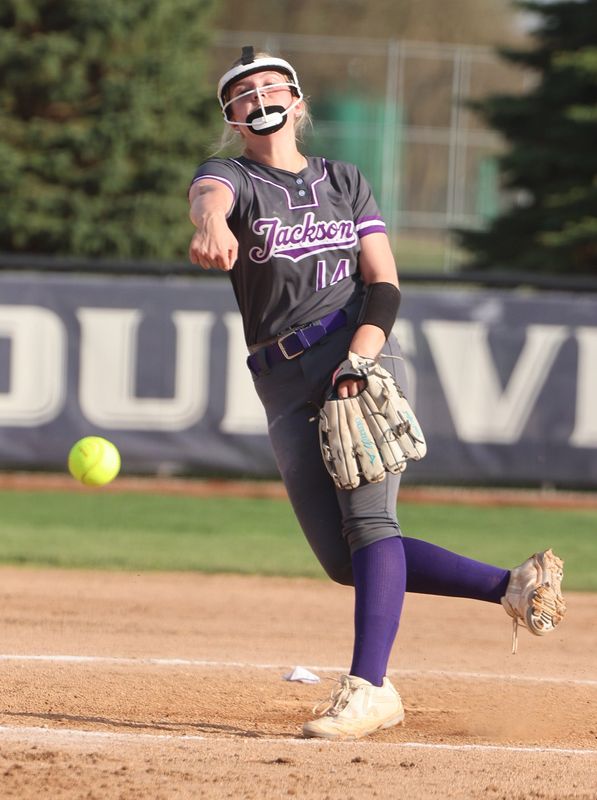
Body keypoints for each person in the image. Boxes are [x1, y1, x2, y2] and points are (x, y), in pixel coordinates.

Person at [187, 47, 566, 741]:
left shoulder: (344, 180)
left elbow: (384, 281)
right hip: (277, 378)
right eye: (243, 92)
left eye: (273, 84)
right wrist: (210, 223)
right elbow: (210, 197)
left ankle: (368, 688)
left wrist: (358, 359)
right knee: (342, 560)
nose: (259, 95)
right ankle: (513, 586)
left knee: (368, 527)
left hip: (350, 355)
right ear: (232, 117)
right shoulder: (229, 175)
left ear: (297, 101)